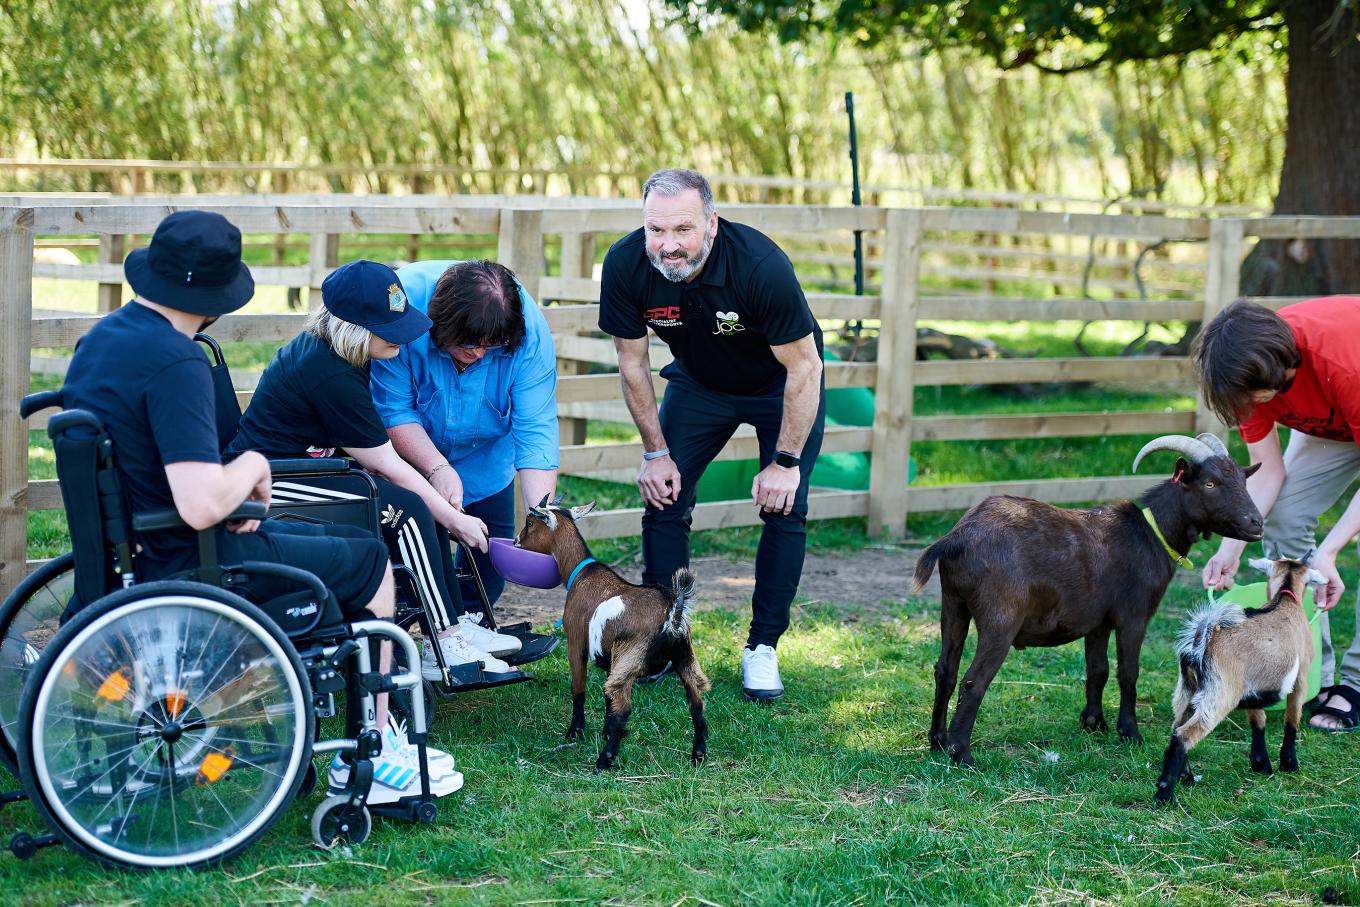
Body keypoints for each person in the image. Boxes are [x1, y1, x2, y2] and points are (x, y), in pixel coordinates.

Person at [60, 211, 463, 803]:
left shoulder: (104, 339)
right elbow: (200, 504)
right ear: (218, 293)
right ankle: (375, 746)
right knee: (371, 563)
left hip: (130, 545)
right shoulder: (178, 362)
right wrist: (253, 468)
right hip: (191, 553)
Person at [225, 259, 523, 682]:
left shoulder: (345, 356)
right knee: (406, 507)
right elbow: (387, 465)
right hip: (271, 483)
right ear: (357, 329)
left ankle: (452, 622)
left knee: (420, 500)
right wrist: (455, 518)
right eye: (391, 329)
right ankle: (446, 638)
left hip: (311, 471)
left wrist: (439, 500)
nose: (403, 339)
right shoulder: (329, 373)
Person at [597, 168, 825, 702]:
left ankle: (762, 648)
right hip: (700, 385)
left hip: (779, 385)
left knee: (784, 508)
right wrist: (656, 454)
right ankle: (660, 637)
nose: (668, 246)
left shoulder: (760, 265)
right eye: (657, 230)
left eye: (683, 230)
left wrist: (785, 462)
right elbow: (632, 363)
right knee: (664, 496)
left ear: (711, 223)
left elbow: (806, 367)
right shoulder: (627, 263)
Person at [1196, 296, 1360, 732]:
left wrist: (1329, 550)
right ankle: (1312, 675)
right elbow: (1267, 474)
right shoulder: (1246, 373)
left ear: (1281, 371)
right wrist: (1231, 548)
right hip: (1338, 426)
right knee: (1284, 518)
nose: (1247, 406)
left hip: (1352, 392)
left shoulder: (1343, 363)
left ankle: (1356, 683)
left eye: (1251, 396)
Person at [370, 259, 560, 609]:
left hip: (487, 460)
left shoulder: (529, 334)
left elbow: (537, 432)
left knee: (486, 576)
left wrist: (542, 519)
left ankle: (470, 633)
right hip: (407, 459)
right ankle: (418, 635)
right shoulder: (400, 312)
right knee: (411, 566)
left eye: (492, 346)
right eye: (469, 343)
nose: (479, 354)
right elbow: (394, 410)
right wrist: (436, 469)